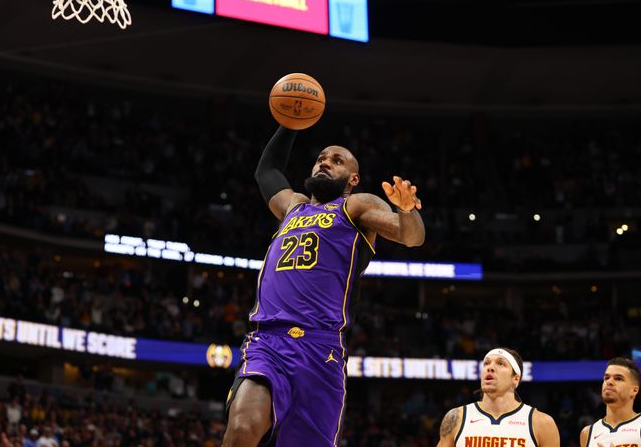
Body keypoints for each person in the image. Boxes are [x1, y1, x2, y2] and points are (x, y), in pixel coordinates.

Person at [223, 125, 425, 446]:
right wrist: (291, 122)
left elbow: (410, 237)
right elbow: (268, 170)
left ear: (353, 179)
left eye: (337, 160)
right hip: (268, 341)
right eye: (320, 158)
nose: (325, 163)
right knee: (242, 428)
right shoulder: (293, 206)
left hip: (321, 350)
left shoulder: (355, 206)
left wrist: (405, 209)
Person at [437, 348, 560, 447]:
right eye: (486, 363)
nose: (490, 367)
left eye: (500, 364)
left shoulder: (541, 423)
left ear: (515, 379)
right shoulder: (456, 418)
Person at [580, 357, 641, 447]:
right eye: (606, 377)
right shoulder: (588, 433)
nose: (609, 382)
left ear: (634, 390)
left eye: (618, 378)